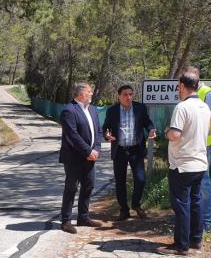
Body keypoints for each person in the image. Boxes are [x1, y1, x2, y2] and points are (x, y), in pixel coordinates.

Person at [160, 68, 211, 255]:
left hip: (182, 164)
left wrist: (166, 131)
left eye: (178, 87)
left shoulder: (182, 107)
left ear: (182, 86)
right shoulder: (204, 107)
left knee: (181, 205)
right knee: (196, 202)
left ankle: (181, 245)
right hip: (200, 163)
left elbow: (175, 134)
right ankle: (196, 240)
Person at [102, 85, 157, 221]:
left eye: (131, 94)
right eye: (125, 95)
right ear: (119, 96)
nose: (129, 97)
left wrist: (151, 129)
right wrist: (107, 134)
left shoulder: (140, 108)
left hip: (135, 150)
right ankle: (124, 210)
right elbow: (106, 127)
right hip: (119, 150)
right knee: (120, 181)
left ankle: (136, 204)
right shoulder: (112, 110)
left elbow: (147, 122)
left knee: (140, 178)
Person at [59, 82, 104, 234]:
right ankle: (66, 221)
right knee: (71, 188)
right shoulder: (69, 110)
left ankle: (83, 217)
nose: (92, 94)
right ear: (81, 94)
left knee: (89, 186)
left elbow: (98, 130)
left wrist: (96, 149)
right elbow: (72, 135)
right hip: (74, 158)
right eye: (89, 92)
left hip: (90, 157)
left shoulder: (91, 109)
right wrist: (87, 151)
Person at [192, 67, 211, 232]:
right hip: (192, 147)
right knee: (194, 183)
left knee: (204, 183)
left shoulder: (207, 93)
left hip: (204, 146)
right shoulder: (190, 93)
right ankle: (196, 220)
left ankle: (207, 223)